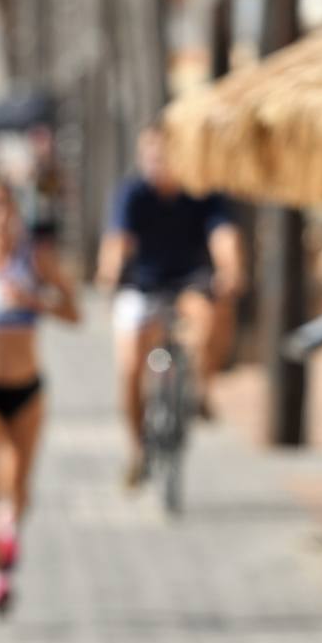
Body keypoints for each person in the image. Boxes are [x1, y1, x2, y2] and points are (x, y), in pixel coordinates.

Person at [0, 177, 79, 614]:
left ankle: (9, 528)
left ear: (16, 213)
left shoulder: (35, 258)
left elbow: (74, 311)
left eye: (4, 205)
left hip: (26, 387)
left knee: (19, 485)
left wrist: (35, 298)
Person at [95, 121, 245, 488]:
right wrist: (110, 273)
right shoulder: (133, 193)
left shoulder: (203, 192)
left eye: (165, 155)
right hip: (142, 283)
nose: (157, 162)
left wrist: (232, 269)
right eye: (151, 155)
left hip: (189, 280)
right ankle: (137, 450)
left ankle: (201, 386)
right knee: (131, 365)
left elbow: (224, 235)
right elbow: (117, 241)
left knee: (215, 314)